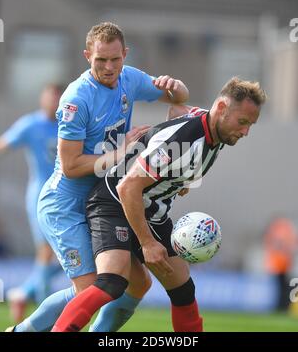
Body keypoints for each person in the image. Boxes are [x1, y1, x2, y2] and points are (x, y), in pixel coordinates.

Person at [8, 22, 189, 332]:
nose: (108, 67)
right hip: (64, 205)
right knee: (92, 287)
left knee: (137, 284)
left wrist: (174, 86)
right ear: (87, 56)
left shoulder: (128, 78)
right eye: (100, 60)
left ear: (125, 55)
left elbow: (178, 98)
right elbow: (70, 166)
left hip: (100, 202)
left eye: (115, 60)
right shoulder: (76, 99)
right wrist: (122, 153)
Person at [51, 76, 267, 332]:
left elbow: (178, 110)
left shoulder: (211, 128)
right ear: (221, 108)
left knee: (183, 289)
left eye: (250, 125)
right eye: (242, 122)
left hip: (151, 209)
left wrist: (180, 178)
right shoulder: (180, 143)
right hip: (115, 203)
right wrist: (147, 243)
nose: (245, 131)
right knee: (112, 282)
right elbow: (128, 187)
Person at [0, 84, 63, 323]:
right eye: (49, 97)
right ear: (42, 98)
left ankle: (24, 292)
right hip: (41, 197)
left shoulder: (71, 124)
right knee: (46, 254)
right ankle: (46, 316)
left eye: (57, 98)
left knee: (77, 256)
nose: (52, 102)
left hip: (68, 197)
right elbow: (2, 145)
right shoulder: (31, 124)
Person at [264, 217, 298, 311]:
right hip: (281, 265)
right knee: (283, 287)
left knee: (283, 287)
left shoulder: (279, 231)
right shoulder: (284, 231)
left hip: (283, 265)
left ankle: (283, 306)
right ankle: (283, 306)